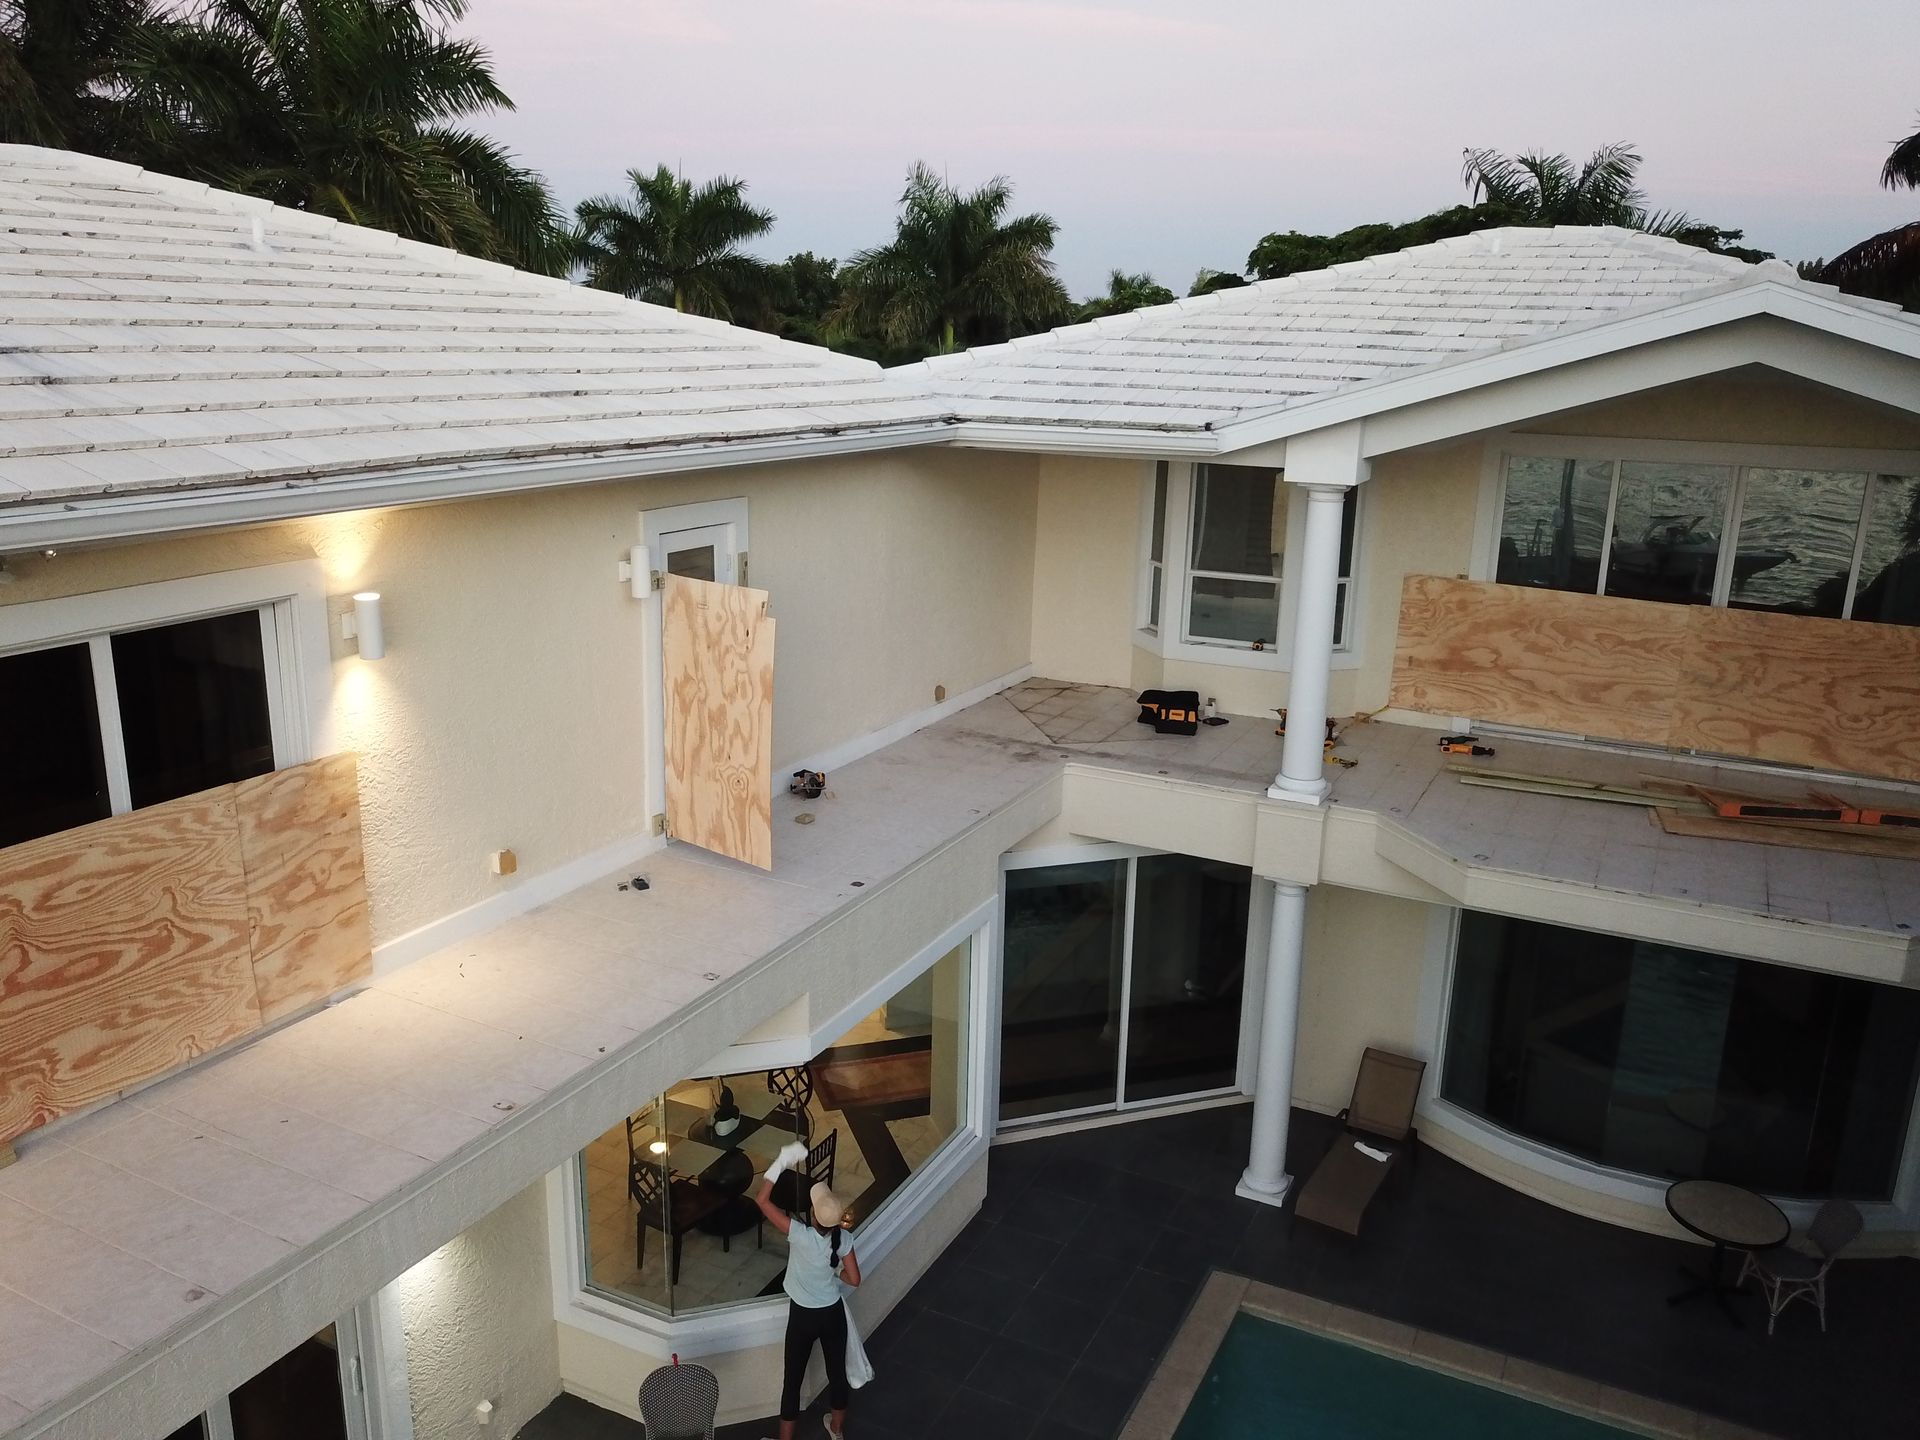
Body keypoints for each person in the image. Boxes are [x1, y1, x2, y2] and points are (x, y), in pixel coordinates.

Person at [755, 1140, 860, 1440]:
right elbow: (854, 1279)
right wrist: (837, 1271)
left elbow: (762, 1201)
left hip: (802, 1316)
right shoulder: (844, 1240)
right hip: (832, 1314)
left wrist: (781, 1160)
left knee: (793, 1381)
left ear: (813, 1217)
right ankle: (836, 1431)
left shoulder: (799, 1235)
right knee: (837, 1374)